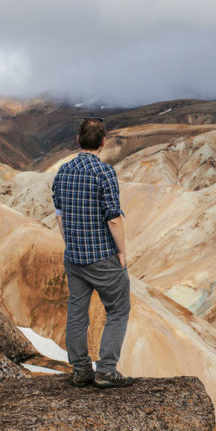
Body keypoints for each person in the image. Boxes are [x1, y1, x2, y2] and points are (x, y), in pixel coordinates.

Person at [51, 116, 134, 388]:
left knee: (77, 312)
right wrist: (121, 252)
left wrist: (70, 244)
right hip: (101, 257)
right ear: (103, 142)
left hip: (74, 257)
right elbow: (113, 217)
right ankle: (107, 370)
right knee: (118, 309)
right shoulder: (104, 172)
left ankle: (81, 369)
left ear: (78, 140)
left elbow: (60, 216)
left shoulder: (62, 172)